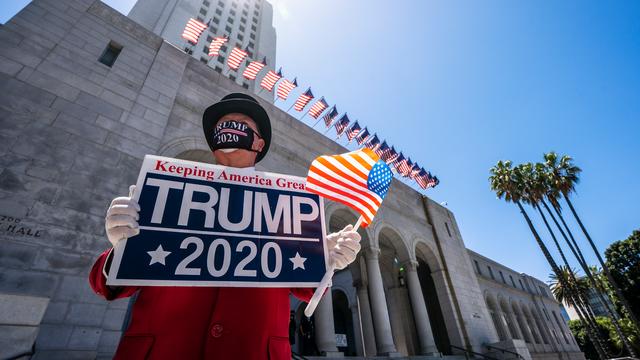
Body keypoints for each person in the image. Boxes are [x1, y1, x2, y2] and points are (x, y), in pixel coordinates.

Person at [89, 93, 361, 360]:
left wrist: (322, 257)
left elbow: (306, 290)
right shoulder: (168, 191)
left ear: (259, 143)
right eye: (223, 123)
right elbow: (110, 286)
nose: (230, 126)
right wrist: (119, 247)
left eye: (242, 121)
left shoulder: (288, 206)